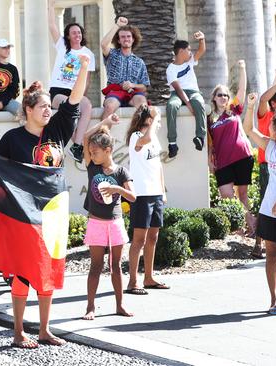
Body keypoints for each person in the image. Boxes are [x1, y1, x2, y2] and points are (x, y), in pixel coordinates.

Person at [0, 55, 90, 348]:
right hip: (24, 214)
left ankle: (45, 330)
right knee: (24, 270)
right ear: (28, 110)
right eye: (43, 106)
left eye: (50, 106)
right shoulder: (12, 138)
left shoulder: (58, 131)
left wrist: (84, 67)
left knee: (49, 267)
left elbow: (74, 100)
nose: (49, 110)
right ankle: (19, 331)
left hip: (54, 210)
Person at [81, 114, 136, 320]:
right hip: (96, 222)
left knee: (115, 267)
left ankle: (120, 305)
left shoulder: (121, 172)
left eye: (96, 153)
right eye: (91, 152)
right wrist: (105, 123)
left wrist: (116, 189)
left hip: (115, 223)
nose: (92, 155)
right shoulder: (92, 167)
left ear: (108, 151)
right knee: (95, 267)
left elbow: (133, 196)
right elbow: (86, 137)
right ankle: (90, 307)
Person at [242, 92, 276, 315]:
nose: (267, 126)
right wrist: (250, 106)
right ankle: (274, 300)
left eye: (271, 124)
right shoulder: (269, 146)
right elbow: (249, 130)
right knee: (272, 255)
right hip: (270, 211)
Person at [207, 60, 256, 234]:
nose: (223, 98)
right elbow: (209, 145)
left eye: (226, 95)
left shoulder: (232, 110)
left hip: (243, 156)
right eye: (220, 95)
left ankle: (248, 228)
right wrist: (209, 162)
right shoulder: (209, 117)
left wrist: (242, 69)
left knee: (242, 194)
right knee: (227, 195)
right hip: (223, 162)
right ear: (214, 98)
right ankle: (250, 222)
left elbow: (242, 91)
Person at [125, 104, 168, 295]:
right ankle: (133, 281)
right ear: (148, 121)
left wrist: (162, 190)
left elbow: (158, 166)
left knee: (153, 236)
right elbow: (147, 137)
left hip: (155, 193)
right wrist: (154, 117)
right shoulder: (136, 137)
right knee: (139, 239)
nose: (158, 124)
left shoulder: (153, 138)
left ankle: (149, 278)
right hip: (141, 194)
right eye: (156, 121)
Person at [47, 0, 96, 162]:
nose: (77, 35)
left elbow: (87, 80)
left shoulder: (88, 53)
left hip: (76, 91)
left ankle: (76, 146)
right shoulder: (62, 46)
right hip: (58, 90)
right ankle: (76, 142)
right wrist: (51, 6)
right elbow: (52, 26)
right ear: (68, 36)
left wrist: (82, 94)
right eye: (74, 32)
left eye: (79, 32)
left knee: (87, 105)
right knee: (69, 107)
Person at [252, 72, 276, 259]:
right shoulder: (267, 116)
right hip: (268, 166)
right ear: (274, 104)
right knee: (266, 205)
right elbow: (263, 98)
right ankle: (259, 243)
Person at [165, 32, 207, 158]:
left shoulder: (190, 62)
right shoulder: (170, 69)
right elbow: (177, 89)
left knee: (199, 102)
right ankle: (172, 143)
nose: (190, 52)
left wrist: (202, 39)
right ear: (181, 51)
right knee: (171, 105)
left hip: (193, 92)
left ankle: (200, 137)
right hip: (177, 94)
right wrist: (188, 103)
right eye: (188, 50)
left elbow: (201, 50)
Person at [100, 17, 150, 119]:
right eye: (122, 37)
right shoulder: (112, 54)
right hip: (115, 93)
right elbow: (103, 44)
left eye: (128, 36)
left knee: (143, 105)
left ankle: (143, 134)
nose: (126, 39)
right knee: (109, 106)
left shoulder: (139, 62)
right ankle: (101, 133)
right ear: (118, 40)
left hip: (133, 94)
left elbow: (144, 86)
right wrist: (117, 25)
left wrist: (132, 84)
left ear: (133, 39)